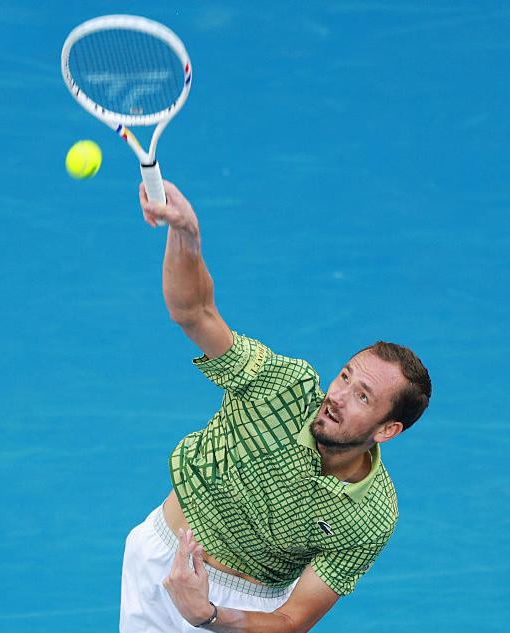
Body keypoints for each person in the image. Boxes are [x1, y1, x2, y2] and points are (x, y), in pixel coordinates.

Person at [120, 181, 432, 632]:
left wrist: (207, 614)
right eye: (345, 376)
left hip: (245, 612)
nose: (337, 396)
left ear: (387, 430)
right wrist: (186, 234)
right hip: (159, 561)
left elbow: (290, 619)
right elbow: (195, 312)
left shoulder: (371, 514)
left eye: (362, 396)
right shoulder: (282, 388)